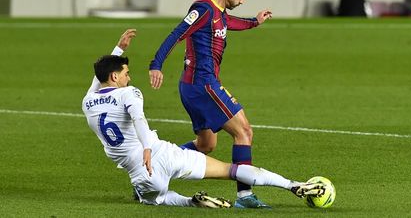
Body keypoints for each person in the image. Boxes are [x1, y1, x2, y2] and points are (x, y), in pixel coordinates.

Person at [82, 29, 324, 208]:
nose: (129, 78)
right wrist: (147, 147)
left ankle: (191, 201)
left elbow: (98, 80)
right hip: (162, 155)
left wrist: (119, 49)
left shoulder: (88, 101)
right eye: (125, 73)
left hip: (141, 175)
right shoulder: (129, 93)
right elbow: (139, 120)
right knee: (232, 170)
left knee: (160, 198)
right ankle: (293, 185)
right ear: (115, 77)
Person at [148, 0, 273, 208]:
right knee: (244, 131)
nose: (243, 0)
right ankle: (245, 196)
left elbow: (228, 24)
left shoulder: (218, 11)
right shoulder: (203, 9)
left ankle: (153, 170)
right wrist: (156, 64)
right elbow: (177, 34)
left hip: (194, 86)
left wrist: (254, 22)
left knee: (206, 145)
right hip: (203, 85)